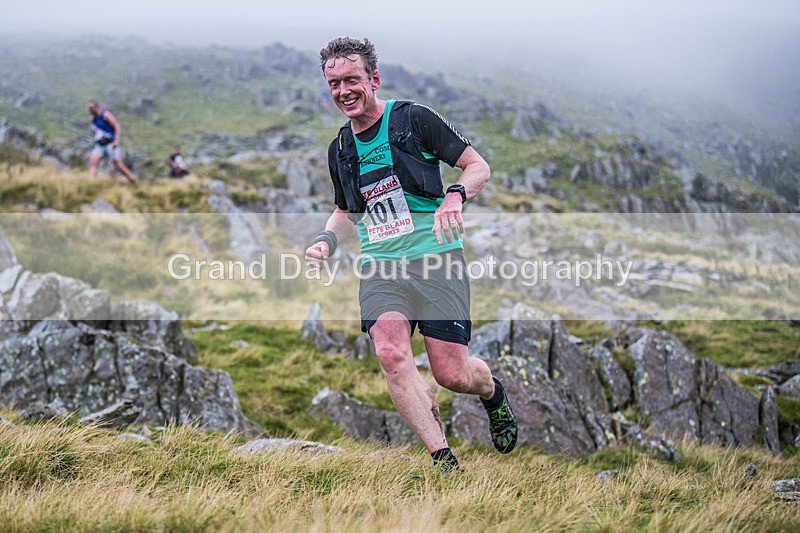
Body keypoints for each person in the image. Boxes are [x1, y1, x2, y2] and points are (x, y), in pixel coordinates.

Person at [304, 37, 517, 472]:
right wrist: (326, 240)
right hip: (382, 265)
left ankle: (492, 391)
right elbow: (348, 210)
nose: (343, 91)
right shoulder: (340, 149)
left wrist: (455, 195)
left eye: (351, 80)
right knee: (390, 353)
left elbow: (478, 166)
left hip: (436, 259)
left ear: (374, 80)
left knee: (452, 375)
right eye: (334, 83)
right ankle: (443, 460)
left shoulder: (412, 119)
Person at [87, 99, 137, 183]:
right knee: (93, 162)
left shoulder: (105, 115)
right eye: (88, 108)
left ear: (96, 107)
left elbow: (117, 126)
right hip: (99, 145)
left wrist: (116, 141)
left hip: (110, 143)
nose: (89, 110)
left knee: (117, 164)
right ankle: (91, 183)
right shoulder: (93, 118)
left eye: (91, 107)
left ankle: (131, 178)